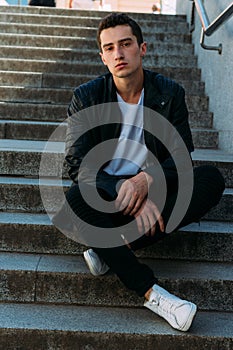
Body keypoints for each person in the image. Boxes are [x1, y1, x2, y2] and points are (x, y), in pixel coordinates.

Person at [59, 13, 225, 332]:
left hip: (151, 202)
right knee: (77, 196)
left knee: (210, 179)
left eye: (125, 44)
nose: (118, 53)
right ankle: (153, 293)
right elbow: (78, 165)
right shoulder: (87, 97)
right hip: (104, 204)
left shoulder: (169, 92)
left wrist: (147, 183)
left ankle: (112, 249)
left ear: (142, 48)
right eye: (110, 48)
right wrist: (125, 192)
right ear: (102, 57)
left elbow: (180, 156)